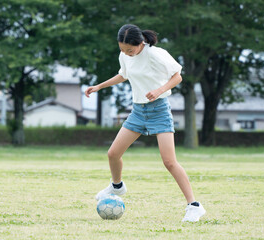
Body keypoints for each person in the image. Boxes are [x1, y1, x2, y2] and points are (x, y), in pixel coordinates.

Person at [85, 24, 206, 222]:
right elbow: (123, 75)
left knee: (169, 162)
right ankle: (117, 186)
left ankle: (194, 206)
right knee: (113, 154)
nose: (126, 53)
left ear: (140, 43)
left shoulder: (156, 55)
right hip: (138, 111)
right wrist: (99, 86)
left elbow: (177, 76)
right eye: (122, 49)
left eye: (130, 50)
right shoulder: (125, 55)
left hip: (159, 110)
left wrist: (158, 90)